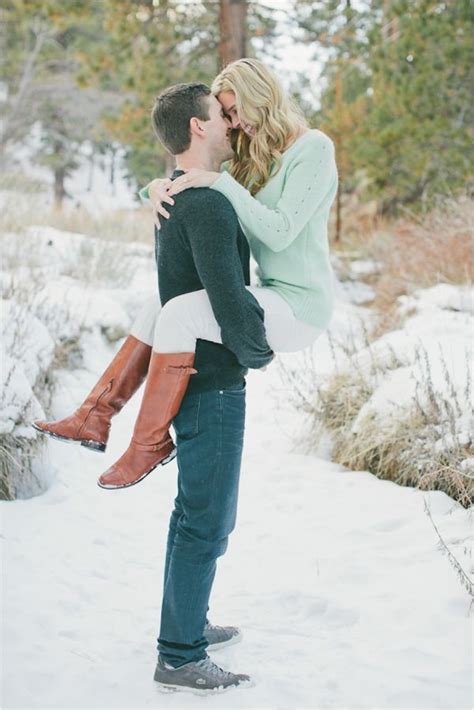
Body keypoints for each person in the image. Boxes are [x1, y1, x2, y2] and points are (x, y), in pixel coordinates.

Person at [38, 81, 274, 693]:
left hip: (189, 375)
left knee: (192, 515)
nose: (229, 125)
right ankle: (179, 655)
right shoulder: (206, 204)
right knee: (207, 520)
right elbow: (228, 299)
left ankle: (185, 623)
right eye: (220, 118)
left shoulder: (172, 197)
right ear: (197, 128)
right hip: (212, 382)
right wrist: (259, 352)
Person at [33, 57, 338, 491]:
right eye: (225, 115)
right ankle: (94, 415)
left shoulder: (313, 148)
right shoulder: (250, 161)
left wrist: (220, 183)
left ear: (261, 97)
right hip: (269, 294)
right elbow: (196, 176)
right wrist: (155, 187)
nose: (233, 123)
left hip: (301, 306)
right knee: (161, 304)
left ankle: (148, 443)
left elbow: (281, 232)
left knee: (179, 315)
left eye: (235, 111)